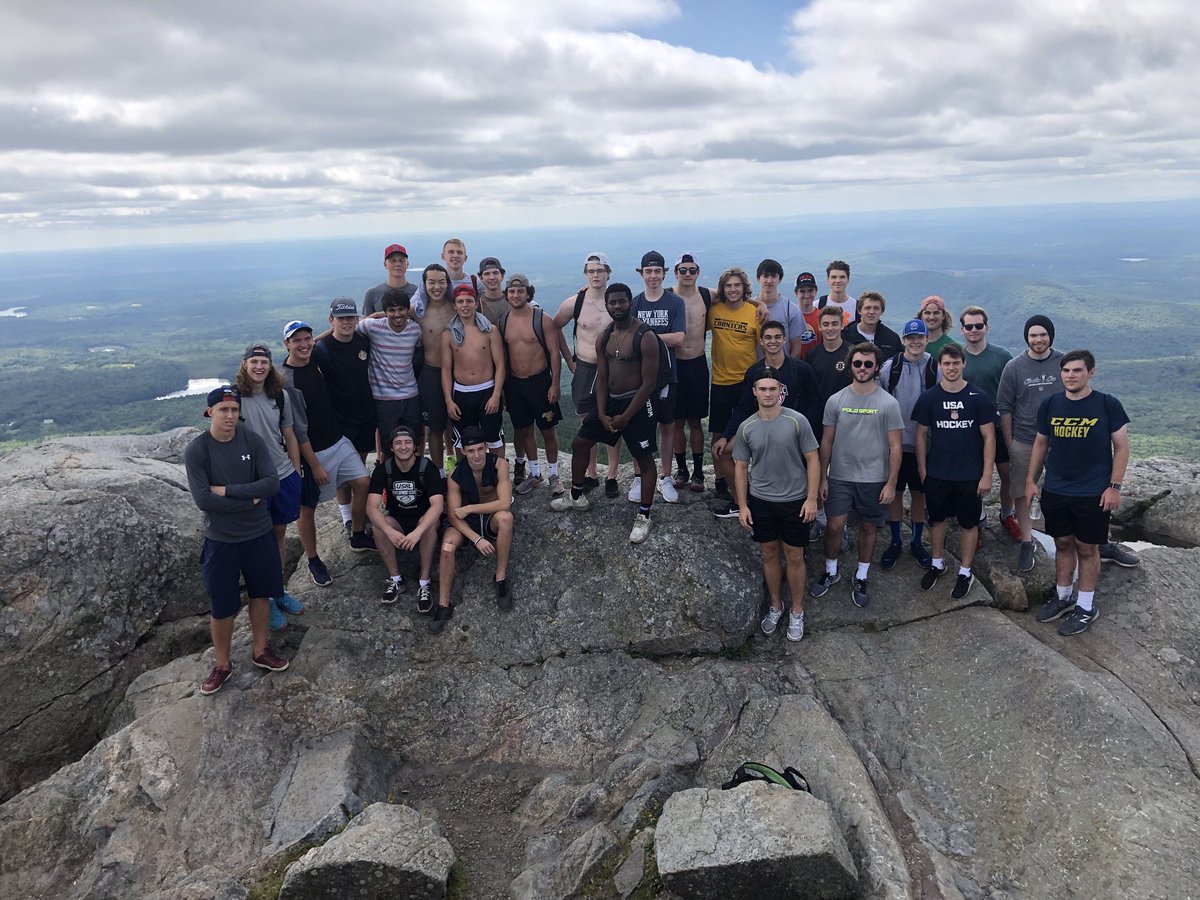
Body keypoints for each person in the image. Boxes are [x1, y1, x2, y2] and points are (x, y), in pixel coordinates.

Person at [184, 386, 288, 695]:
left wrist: (227, 491)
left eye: (234, 409)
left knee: (260, 595)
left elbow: (270, 484)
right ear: (210, 412)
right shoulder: (198, 450)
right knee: (222, 606)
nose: (230, 415)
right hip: (222, 540)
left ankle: (260, 650)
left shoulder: (251, 441)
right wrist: (248, 497)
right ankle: (222, 664)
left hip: (258, 534)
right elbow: (203, 499)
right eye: (223, 410)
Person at [551, 283, 661, 544]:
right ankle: (576, 495)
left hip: (638, 403)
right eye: (613, 302)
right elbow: (602, 378)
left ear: (629, 303)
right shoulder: (605, 336)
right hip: (610, 402)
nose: (617, 306)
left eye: (622, 301)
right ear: (607, 305)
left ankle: (644, 514)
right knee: (580, 443)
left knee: (644, 460)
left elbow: (649, 384)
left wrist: (625, 417)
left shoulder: (645, 337)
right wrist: (601, 412)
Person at [1030, 351, 1130, 635]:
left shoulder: (1106, 404)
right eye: (1066, 371)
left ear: (1091, 372)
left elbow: (1121, 447)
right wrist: (1031, 480)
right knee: (1062, 543)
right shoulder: (1051, 404)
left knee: (1087, 548)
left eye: (1077, 370)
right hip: (1057, 489)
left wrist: (1115, 486)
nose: (1071, 375)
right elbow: (1040, 444)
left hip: (1093, 491)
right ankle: (1063, 596)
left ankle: (1086, 606)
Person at [812, 343, 903, 609]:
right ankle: (831, 570)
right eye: (857, 363)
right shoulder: (836, 399)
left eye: (868, 364)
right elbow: (826, 441)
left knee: (868, 527)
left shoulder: (888, 402)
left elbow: (896, 446)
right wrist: (822, 478)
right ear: (850, 365)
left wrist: (891, 483)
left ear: (876, 367)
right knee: (834, 526)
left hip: (874, 478)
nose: (862, 368)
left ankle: (861, 575)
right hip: (841, 475)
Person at [733, 369, 820, 642]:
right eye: (763, 389)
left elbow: (813, 459)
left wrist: (812, 498)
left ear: (780, 391)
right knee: (769, 555)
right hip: (761, 501)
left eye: (773, 389)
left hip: (795, 500)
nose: (768, 394)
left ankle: (796, 610)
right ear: (755, 392)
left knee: (795, 556)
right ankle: (775, 606)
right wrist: (743, 505)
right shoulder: (746, 427)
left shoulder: (797, 422)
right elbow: (740, 467)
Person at [281, 320, 371, 584]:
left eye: (307, 339)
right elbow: (296, 431)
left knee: (363, 481)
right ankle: (313, 559)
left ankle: (357, 534)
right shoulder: (286, 380)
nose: (304, 344)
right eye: (296, 340)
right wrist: (314, 465)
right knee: (307, 507)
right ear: (286, 344)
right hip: (311, 449)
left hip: (336, 438)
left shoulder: (313, 359)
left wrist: (369, 318)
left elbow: (319, 341)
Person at [913, 344, 996, 600]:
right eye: (946, 364)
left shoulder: (978, 397)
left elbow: (989, 437)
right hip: (938, 472)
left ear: (963, 364)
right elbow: (921, 436)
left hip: (969, 474)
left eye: (955, 363)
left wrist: (986, 474)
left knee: (968, 523)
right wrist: (924, 472)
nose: (951, 368)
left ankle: (965, 570)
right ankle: (937, 563)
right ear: (940, 366)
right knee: (937, 520)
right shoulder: (929, 397)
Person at [713, 321, 820, 519]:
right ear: (761, 341)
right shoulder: (754, 372)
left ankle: (802, 506)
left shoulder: (800, 369)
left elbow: (815, 401)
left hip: (792, 430)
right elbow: (744, 406)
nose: (773, 341)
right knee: (722, 452)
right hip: (761, 426)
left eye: (777, 337)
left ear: (785, 339)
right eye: (768, 338)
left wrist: (806, 430)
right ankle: (740, 502)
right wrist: (726, 435)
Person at [235, 343, 305, 629]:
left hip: (282, 473)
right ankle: (264, 599)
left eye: (264, 362)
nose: (259, 367)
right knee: (259, 541)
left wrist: (297, 469)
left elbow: (288, 432)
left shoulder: (280, 395)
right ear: (245, 365)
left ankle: (278, 591)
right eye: (254, 362)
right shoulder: (235, 397)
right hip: (252, 480)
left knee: (278, 533)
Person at [997, 314, 1065, 572]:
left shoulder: (1063, 362)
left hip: (1060, 440)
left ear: (1050, 336)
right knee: (1022, 492)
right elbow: (1004, 406)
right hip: (1024, 439)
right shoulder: (1014, 367)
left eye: (1043, 334)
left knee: (1064, 491)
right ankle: (1027, 540)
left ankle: (1066, 537)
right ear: (1027, 337)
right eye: (1033, 335)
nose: (1038, 339)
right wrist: (1010, 442)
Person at [435, 427, 515, 632]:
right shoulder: (455, 474)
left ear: (487, 447)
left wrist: (471, 507)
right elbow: (453, 515)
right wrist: (476, 539)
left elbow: (504, 503)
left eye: (480, 449)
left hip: (489, 517)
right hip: (465, 523)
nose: (477, 455)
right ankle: (444, 604)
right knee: (447, 546)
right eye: (471, 451)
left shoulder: (500, 465)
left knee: (506, 519)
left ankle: (500, 577)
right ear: (463, 451)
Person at [553, 252, 619, 496]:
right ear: (585, 274)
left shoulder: (617, 301)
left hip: (614, 368)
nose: (595, 275)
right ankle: (592, 474)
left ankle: (612, 475)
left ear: (608, 273)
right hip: (585, 367)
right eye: (591, 271)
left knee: (613, 421)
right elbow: (554, 326)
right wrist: (569, 359)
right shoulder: (575, 303)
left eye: (600, 270)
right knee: (586, 422)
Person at [878, 319, 941, 569]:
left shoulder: (934, 367)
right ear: (904, 340)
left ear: (927, 339)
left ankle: (916, 542)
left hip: (925, 445)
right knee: (894, 493)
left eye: (920, 337)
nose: (915, 342)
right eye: (910, 337)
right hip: (895, 444)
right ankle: (895, 541)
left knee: (919, 493)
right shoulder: (890, 367)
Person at [314, 298, 375, 549]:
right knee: (342, 475)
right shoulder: (322, 349)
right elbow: (297, 353)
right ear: (331, 321)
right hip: (339, 420)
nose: (347, 322)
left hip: (364, 414)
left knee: (358, 465)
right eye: (341, 318)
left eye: (351, 317)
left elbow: (374, 320)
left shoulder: (362, 341)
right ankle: (348, 518)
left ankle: (356, 515)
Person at [366, 425, 445, 613]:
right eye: (398, 443)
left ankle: (424, 583)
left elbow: (438, 505)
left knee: (430, 523)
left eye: (408, 442)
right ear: (391, 448)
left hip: (422, 519)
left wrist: (418, 532)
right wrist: (389, 531)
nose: (403, 447)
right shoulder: (383, 470)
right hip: (397, 520)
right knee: (379, 526)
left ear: (415, 446)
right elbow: (371, 506)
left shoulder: (428, 468)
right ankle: (396, 579)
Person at [498, 274, 564, 495]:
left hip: (540, 382)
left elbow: (554, 353)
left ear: (528, 293)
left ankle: (554, 474)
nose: (516, 295)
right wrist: (504, 389)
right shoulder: (503, 321)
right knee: (524, 429)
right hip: (515, 384)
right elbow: (504, 358)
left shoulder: (542, 318)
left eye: (520, 291)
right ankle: (535, 473)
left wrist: (555, 384)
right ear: (506, 295)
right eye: (512, 291)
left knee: (547, 430)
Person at [958, 305, 1019, 540]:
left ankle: (1007, 514)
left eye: (978, 326)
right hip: (970, 429)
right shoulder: (958, 358)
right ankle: (978, 520)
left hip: (999, 425)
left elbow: (1014, 391)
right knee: (975, 478)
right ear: (962, 330)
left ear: (986, 327)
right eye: (969, 326)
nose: (974, 330)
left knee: (1007, 475)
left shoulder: (1002, 356)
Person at [631, 251, 686, 504]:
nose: (652, 276)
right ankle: (640, 475)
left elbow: (679, 338)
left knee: (666, 426)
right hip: (638, 378)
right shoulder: (634, 303)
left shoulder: (675, 303)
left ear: (664, 273)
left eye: (657, 271)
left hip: (667, 375)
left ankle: (664, 477)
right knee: (640, 426)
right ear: (641, 273)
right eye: (648, 271)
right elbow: (627, 338)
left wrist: (646, 338)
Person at [706, 267, 761, 504]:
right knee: (718, 434)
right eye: (728, 286)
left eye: (737, 285)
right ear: (722, 289)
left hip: (746, 382)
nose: (732, 289)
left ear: (744, 288)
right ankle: (721, 481)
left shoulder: (754, 312)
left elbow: (764, 347)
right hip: (720, 381)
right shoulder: (714, 310)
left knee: (747, 435)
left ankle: (751, 485)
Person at [354, 288, 423, 460]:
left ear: (408, 309)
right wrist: (314, 342)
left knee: (413, 441)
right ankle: (387, 482)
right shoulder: (373, 327)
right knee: (388, 445)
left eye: (401, 309)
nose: (397, 314)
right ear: (385, 312)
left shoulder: (416, 329)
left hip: (410, 394)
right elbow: (343, 330)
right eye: (391, 310)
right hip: (383, 398)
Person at [442, 282, 505, 454]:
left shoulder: (490, 330)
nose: (465, 305)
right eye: (460, 302)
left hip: (487, 390)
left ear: (476, 303)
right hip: (461, 392)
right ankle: (465, 479)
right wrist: (449, 400)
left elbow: (500, 364)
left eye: (469, 301)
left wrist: (496, 395)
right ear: (454, 305)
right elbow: (446, 370)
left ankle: (498, 478)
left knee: (494, 439)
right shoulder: (448, 334)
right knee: (462, 442)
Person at [667, 253, 711, 493]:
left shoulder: (706, 295)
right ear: (675, 273)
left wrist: (761, 304)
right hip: (674, 365)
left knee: (695, 421)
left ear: (697, 272)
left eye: (691, 270)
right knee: (676, 422)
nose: (687, 274)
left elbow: (738, 294)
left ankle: (698, 472)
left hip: (697, 363)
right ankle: (681, 469)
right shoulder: (666, 296)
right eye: (682, 270)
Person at [413, 263, 457, 473]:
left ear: (448, 284)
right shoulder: (417, 310)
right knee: (436, 427)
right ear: (424, 284)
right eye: (432, 282)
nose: (437, 287)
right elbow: (391, 317)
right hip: (431, 372)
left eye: (441, 281)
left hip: (458, 373)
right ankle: (439, 474)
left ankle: (456, 467)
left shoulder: (455, 306)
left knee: (456, 423)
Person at [753, 259, 806, 357]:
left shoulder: (791, 310)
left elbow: (796, 347)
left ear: (780, 279)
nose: (769, 281)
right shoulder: (750, 308)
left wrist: (788, 369)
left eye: (773, 276)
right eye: (765, 276)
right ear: (758, 278)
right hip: (755, 369)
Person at [796, 271, 847, 359]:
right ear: (796, 293)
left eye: (810, 290)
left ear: (816, 291)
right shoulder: (790, 316)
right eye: (802, 291)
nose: (807, 295)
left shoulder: (823, 317)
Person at [841, 290, 901, 359]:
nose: (872, 312)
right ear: (859, 311)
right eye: (867, 308)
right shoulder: (845, 336)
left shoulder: (892, 338)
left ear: (882, 312)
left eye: (876, 308)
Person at [362, 243, 417, 316]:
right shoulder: (372, 294)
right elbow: (366, 323)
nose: (397, 264)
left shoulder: (417, 292)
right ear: (385, 264)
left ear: (407, 264)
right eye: (393, 261)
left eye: (401, 260)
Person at [476, 257, 510, 324]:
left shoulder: (512, 300)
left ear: (502, 276)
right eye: (487, 274)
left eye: (495, 273)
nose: (492, 277)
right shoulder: (477, 304)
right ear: (481, 278)